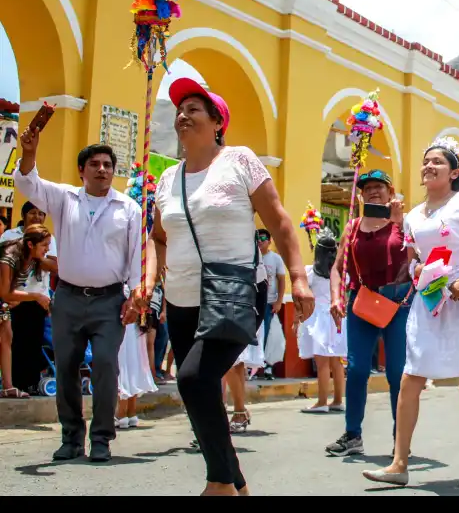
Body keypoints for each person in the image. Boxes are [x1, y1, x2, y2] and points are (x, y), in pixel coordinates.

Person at [145, 77, 314, 496]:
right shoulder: (169, 178)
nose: (182, 116)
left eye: (194, 109)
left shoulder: (239, 160)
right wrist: (149, 280)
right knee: (200, 392)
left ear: (218, 122)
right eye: (180, 110)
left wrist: (298, 278)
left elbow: (280, 222)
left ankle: (219, 482)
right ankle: (236, 484)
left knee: (192, 380)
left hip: (233, 293)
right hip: (181, 298)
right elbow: (157, 236)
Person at [362, 137, 459, 488]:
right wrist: (416, 268)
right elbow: (414, 257)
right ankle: (399, 464)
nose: (429, 166)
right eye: (425, 161)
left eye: (438, 162)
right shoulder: (415, 214)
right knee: (410, 377)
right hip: (430, 298)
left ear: (454, 172)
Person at [15, 135, 143, 463]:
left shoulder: (128, 208)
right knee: (66, 366)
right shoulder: (64, 198)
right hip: (68, 299)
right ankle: (71, 437)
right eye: (95, 165)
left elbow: (134, 257)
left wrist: (134, 296)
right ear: (81, 171)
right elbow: (29, 183)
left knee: (104, 363)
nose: (102, 170)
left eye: (108, 165)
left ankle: (101, 437)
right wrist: (29, 153)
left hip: (109, 301)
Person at [325, 169, 411, 458]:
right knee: (358, 369)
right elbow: (337, 268)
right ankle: (352, 435)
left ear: (391, 191)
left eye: (379, 187)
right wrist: (336, 298)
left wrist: (398, 224)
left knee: (397, 374)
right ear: (360, 195)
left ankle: (401, 439)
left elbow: (412, 261)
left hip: (399, 303)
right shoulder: (353, 226)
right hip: (363, 301)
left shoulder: (404, 222)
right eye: (367, 188)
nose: (373, 191)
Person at [1, 203, 58, 395]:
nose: (47, 251)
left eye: (41, 213)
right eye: (44, 247)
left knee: (11, 339)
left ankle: (12, 386)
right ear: (30, 245)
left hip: (20, 301)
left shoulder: (32, 259)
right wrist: (31, 296)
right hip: (10, 300)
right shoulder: (9, 254)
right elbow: (5, 292)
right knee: (9, 339)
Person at [295, 227, 346, 413]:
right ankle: (338, 400)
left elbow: (302, 297)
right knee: (336, 361)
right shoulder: (340, 272)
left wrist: (297, 318)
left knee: (322, 362)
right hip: (337, 316)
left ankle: (322, 402)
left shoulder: (310, 272)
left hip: (319, 318)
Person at [258, 228, 286, 380]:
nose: (260, 241)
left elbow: (281, 280)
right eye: (257, 238)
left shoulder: (275, 259)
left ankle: (268, 366)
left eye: (263, 238)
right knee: (255, 335)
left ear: (269, 241)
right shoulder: (252, 257)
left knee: (269, 334)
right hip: (253, 303)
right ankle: (254, 366)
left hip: (269, 303)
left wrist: (279, 301)